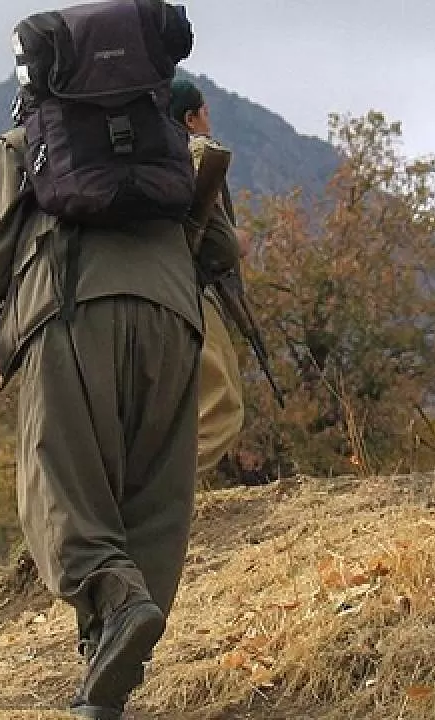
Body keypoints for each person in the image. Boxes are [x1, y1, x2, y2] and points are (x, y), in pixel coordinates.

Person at [0, 2, 201, 713]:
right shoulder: (169, 136)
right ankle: (107, 679)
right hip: (175, 319)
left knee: (57, 483)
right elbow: (211, 233)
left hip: (70, 307)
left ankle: (113, 606)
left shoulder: (29, 137)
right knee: (153, 495)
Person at [168, 75, 247, 487]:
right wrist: (237, 241)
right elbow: (214, 242)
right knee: (222, 407)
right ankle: (161, 498)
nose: (208, 119)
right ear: (190, 117)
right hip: (188, 289)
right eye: (204, 112)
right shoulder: (198, 153)